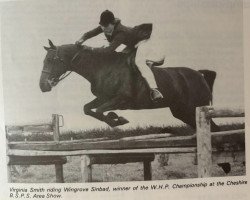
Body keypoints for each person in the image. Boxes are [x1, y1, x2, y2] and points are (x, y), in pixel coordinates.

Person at [75, 10, 164, 101]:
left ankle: (154, 90)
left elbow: (108, 51)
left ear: (112, 24)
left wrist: (91, 49)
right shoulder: (105, 26)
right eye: (102, 25)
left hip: (144, 40)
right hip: (132, 43)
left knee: (139, 62)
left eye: (106, 26)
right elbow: (89, 33)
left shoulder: (121, 33)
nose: (103, 28)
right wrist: (81, 40)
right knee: (121, 59)